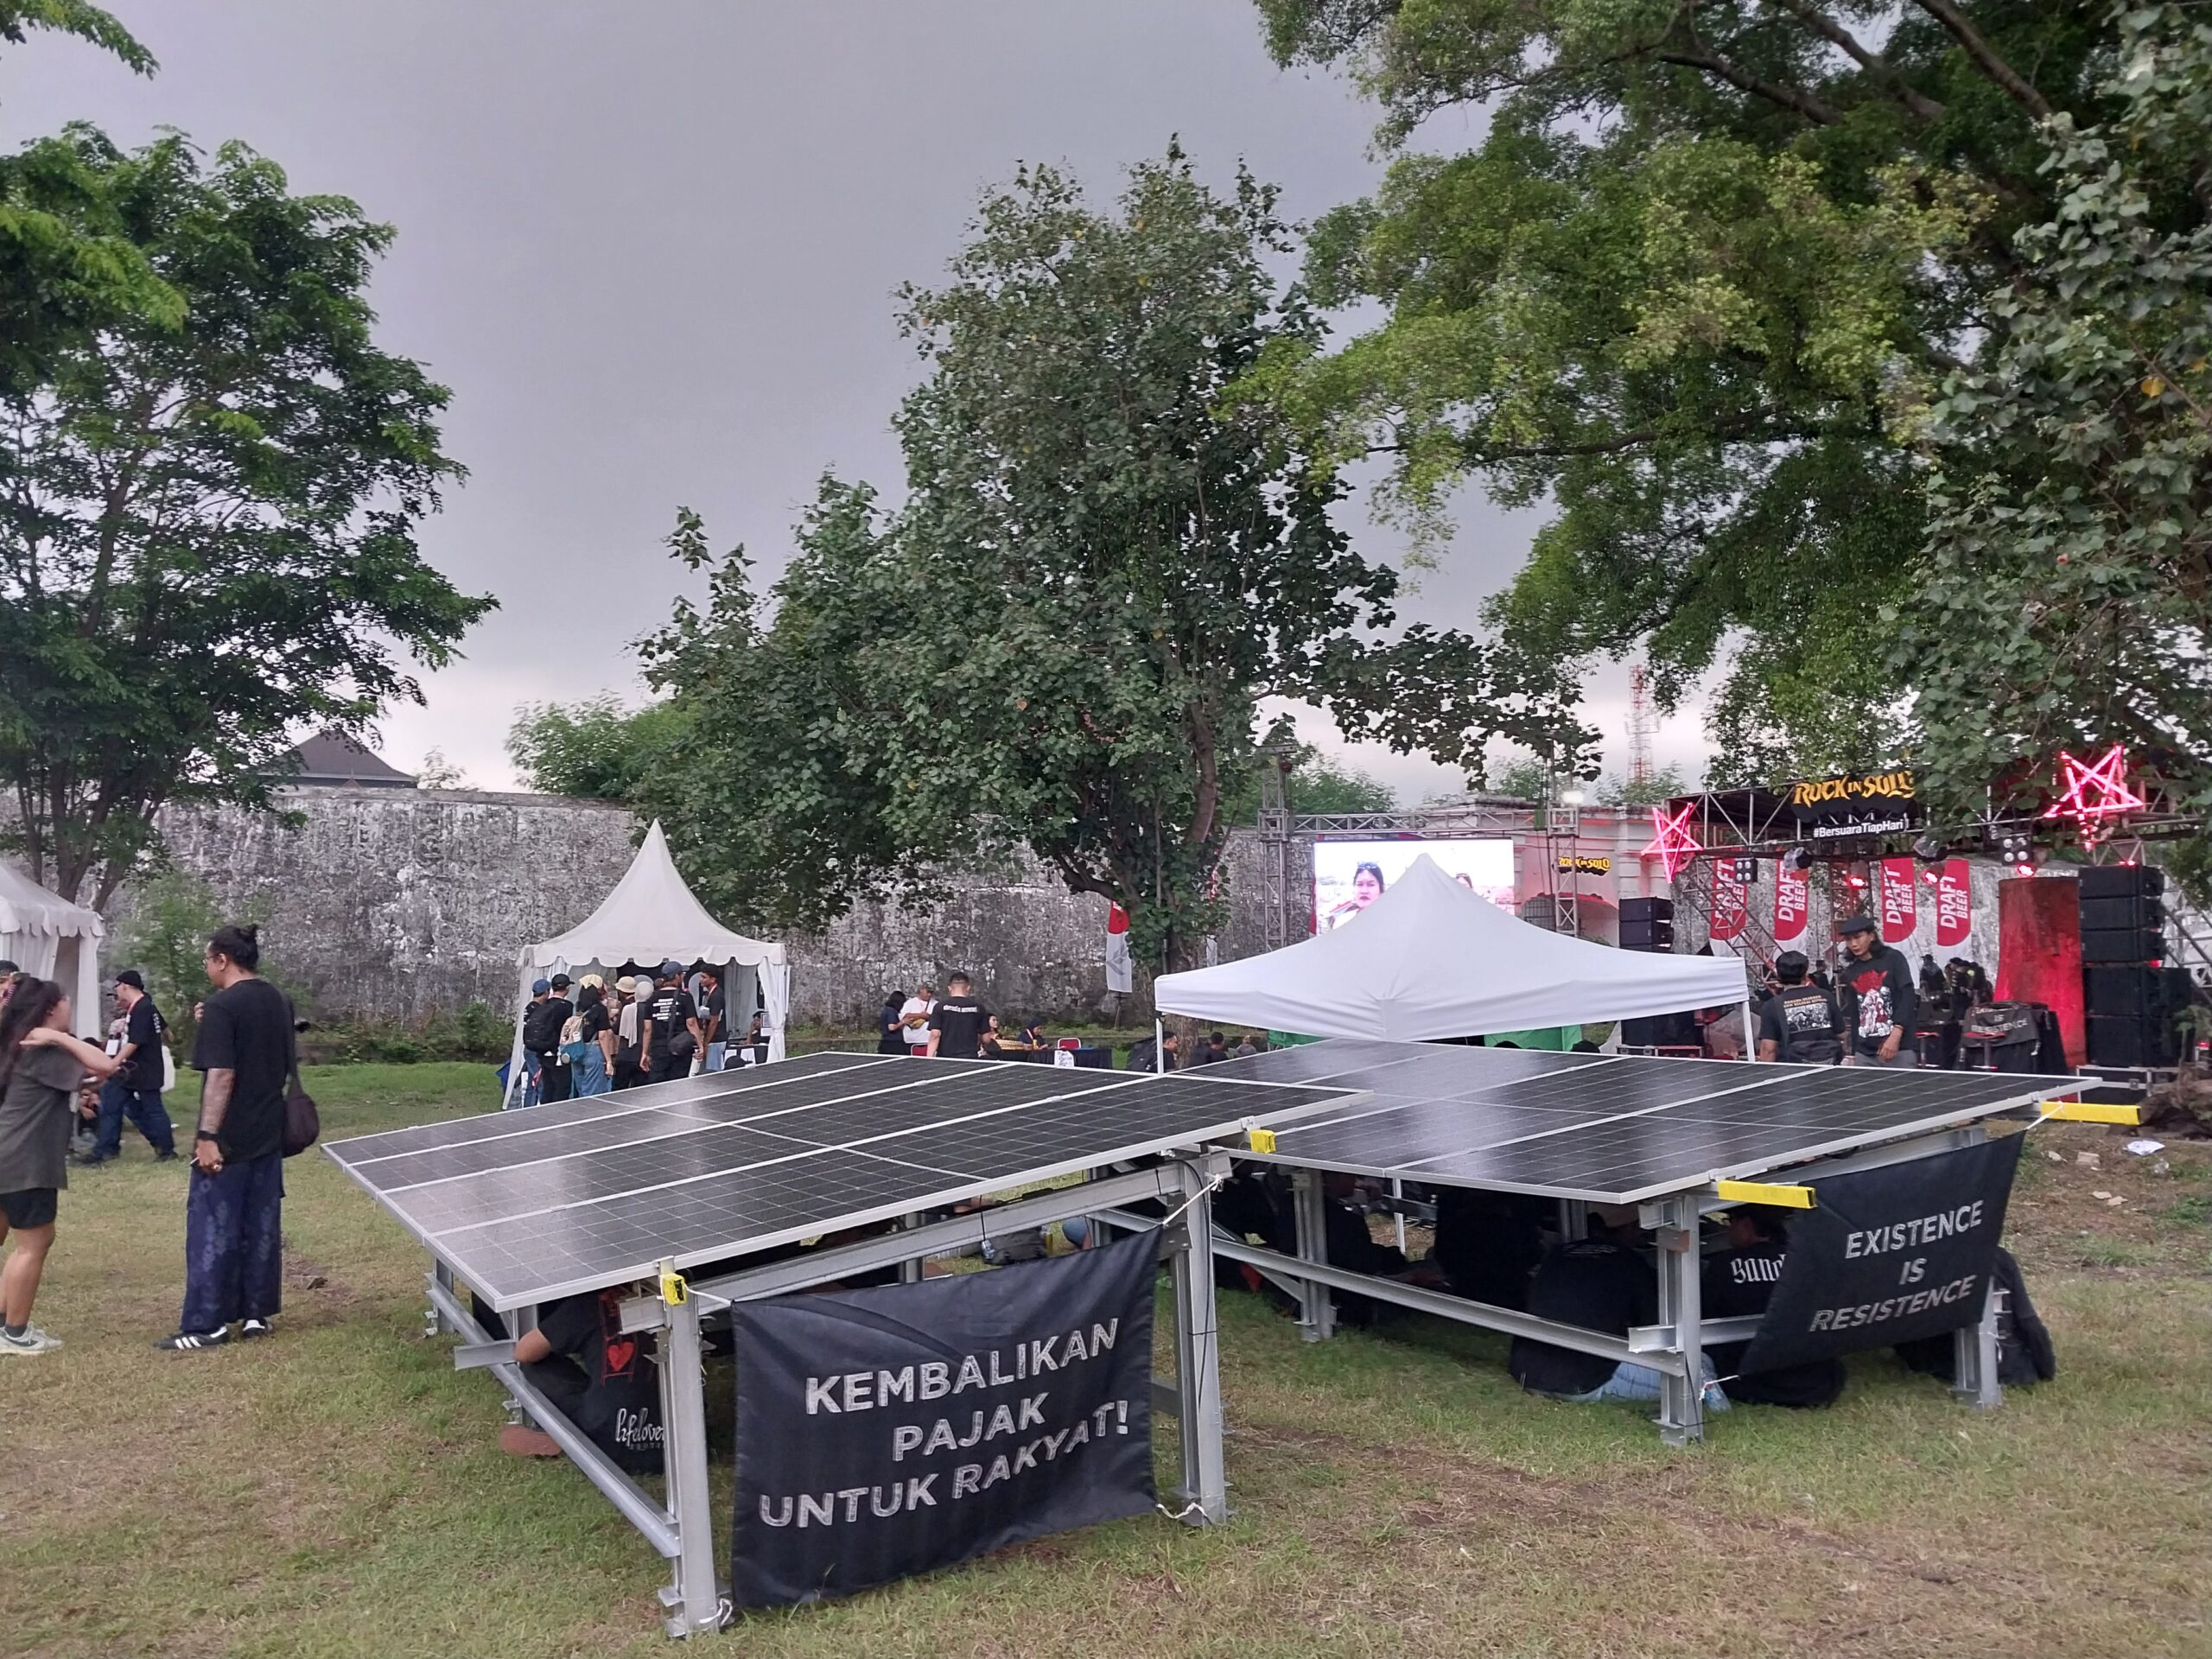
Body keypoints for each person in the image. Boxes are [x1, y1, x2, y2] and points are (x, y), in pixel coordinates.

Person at [160, 924, 292, 1352]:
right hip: (268, 1130)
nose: (207, 967)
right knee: (260, 1226)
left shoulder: (222, 1006)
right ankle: (255, 1314)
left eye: (207, 960)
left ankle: (208, 1322)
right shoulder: (278, 999)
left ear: (223, 960)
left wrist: (207, 1135)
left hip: (230, 1136)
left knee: (212, 1227)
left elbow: (222, 1074)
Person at [0, 978, 121, 1354]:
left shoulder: (15, 1043)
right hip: (25, 1160)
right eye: (64, 999)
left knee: (17, 1244)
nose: (70, 1004)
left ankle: (5, 1326)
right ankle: (14, 1333)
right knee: (33, 1244)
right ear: (50, 1009)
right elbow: (106, 1066)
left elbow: (92, 1079)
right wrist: (57, 1036)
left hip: (7, 1153)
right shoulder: (41, 1048)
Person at [1508, 1206, 1726, 1412]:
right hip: (1584, 1381)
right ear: (1629, 1227)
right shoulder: (1629, 1261)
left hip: (1526, 1372)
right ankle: (1722, 1412)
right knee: (1699, 1363)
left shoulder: (1557, 1254)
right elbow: (1654, 1331)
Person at [499, 1285, 664, 1473]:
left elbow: (523, 1352)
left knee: (535, 1365)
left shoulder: (589, 1305)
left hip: (605, 1442)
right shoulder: (680, 1303)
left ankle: (564, 1433)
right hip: (675, 1445)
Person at [1701, 1210, 1844, 1408]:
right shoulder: (1805, 1260)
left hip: (1752, 1381)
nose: (1728, 1230)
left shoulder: (1723, 1265)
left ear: (1747, 1225)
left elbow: (1703, 1320)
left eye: (1730, 1222)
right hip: (1816, 1381)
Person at [79, 969, 176, 1166]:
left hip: (143, 1068)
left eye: (117, 987)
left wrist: (113, 1063)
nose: (116, 993)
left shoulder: (143, 1007)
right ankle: (105, 1150)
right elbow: (166, 1032)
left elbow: (134, 1042)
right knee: (111, 1101)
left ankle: (166, 1150)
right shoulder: (142, 1007)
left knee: (153, 1109)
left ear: (124, 986)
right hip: (129, 1071)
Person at [1834, 915, 1918, 1068]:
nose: (1853, 944)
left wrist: (1896, 1034)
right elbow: (1856, 1013)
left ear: (1872, 936)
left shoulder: (1893, 958)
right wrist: (1854, 1051)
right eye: (1848, 939)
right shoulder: (1851, 971)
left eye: (1858, 937)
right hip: (1865, 1051)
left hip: (1900, 1047)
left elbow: (1908, 997)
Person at [1756, 950, 1844, 1065]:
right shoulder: (1826, 996)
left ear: (1778, 974)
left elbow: (1768, 1048)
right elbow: (1841, 1033)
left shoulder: (1771, 1006)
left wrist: (1767, 1072)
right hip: (1829, 1064)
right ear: (1806, 972)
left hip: (1793, 1069)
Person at [641, 960, 702, 1085]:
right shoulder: (685, 997)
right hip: (681, 1048)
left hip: (658, 1049)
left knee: (658, 1086)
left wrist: (644, 1053)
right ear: (676, 976)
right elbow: (691, 1023)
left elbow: (647, 1029)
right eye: (681, 974)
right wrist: (700, 1046)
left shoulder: (652, 999)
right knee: (679, 1084)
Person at [926, 972, 990, 1060]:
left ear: (949, 988)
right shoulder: (979, 1008)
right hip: (970, 1058)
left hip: (945, 1058)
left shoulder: (939, 1006)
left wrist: (929, 1058)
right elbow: (986, 1039)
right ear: (968, 988)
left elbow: (935, 1034)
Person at [567, 980, 612, 1097]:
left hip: (576, 1048)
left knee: (581, 1087)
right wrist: (609, 1061)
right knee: (592, 1090)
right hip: (593, 1049)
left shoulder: (576, 1008)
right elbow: (603, 1036)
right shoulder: (600, 1009)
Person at [537, 974, 575, 1103]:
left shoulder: (544, 1004)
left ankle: (545, 1109)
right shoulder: (567, 1006)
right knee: (562, 1087)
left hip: (543, 1050)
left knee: (548, 1085)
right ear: (567, 988)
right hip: (559, 1052)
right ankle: (557, 1111)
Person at [1325, 861, 1387, 930]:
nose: (1364, 891)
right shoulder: (1342, 922)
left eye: (1371, 885)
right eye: (1359, 884)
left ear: (1381, 890)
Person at [611, 976, 646, 1090]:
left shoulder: (626, 1006)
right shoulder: (644, 1006)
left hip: (626, 1053)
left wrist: (611, 1019)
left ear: (621, 991)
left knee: (620, 1087)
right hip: (641, 1051)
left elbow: (617, 1029)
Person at [696, 967, 726, 1073]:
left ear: (713, 979)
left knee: (713, 1072)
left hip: (716, 1039)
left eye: (704, 977)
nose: (701, 980)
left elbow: (714, 1021)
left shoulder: (716, 995)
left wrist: (706, 1042)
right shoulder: (709, 994)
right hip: (711, 1039)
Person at [898, 982, 935, 1057]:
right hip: (912, 1041)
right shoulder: (910, 1003)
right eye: (928, 992)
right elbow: (905, 1017)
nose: (929, 995)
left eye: (931, 992)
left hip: (930, 1041)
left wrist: (928, 1017)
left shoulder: (935, 1004)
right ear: (921, 990)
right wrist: (921, 1015)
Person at [875, 991, 907, 1055]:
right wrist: (903, 1022)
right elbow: (891, 1027)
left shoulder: (887, 1010)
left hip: (887, 1042)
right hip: (893, 1044)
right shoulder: (891, 1011)